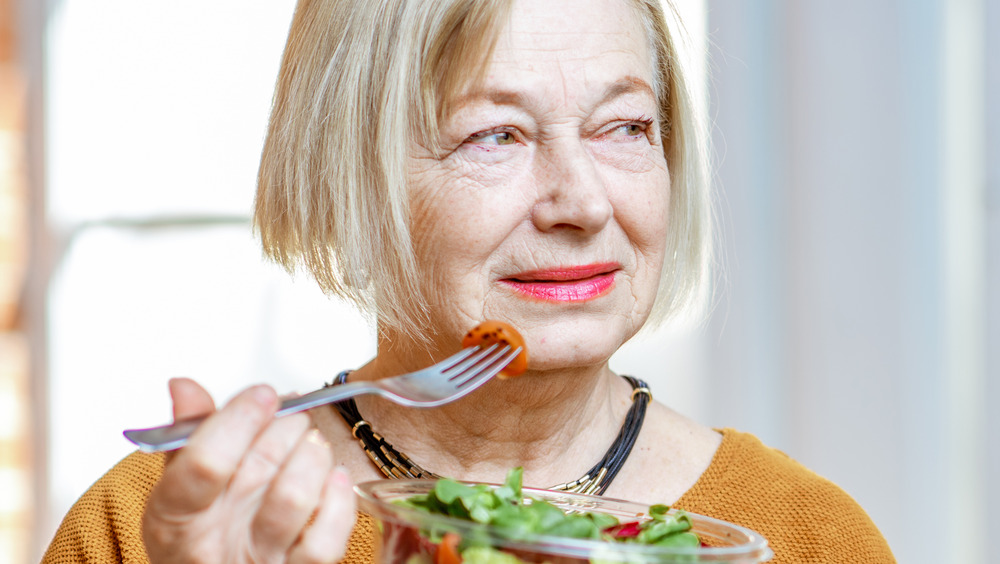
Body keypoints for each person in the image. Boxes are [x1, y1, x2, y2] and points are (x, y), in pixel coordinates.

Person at [42, 0, 896, 563]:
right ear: (349, 178)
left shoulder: (809, 536)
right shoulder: (158, 527)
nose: (583, 202)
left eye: (625, 127)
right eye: (497, 136)